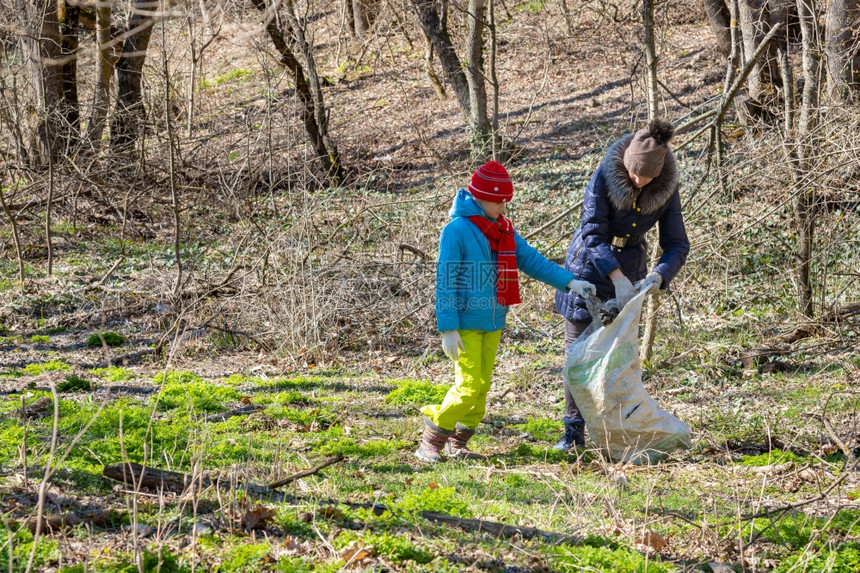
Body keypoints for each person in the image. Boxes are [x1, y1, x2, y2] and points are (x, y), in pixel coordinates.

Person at [416, 161, 596, 463]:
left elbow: (533, 261)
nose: (503, 205)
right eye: (498, 200)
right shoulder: (457, 230)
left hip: (494, 321)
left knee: (482, 388)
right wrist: (447, 328)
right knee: (468, 385)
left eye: (505, 200)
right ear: (480, 197)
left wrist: (571, 282)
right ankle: (431, 439)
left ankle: (458, 442)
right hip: (464, 325)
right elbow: (445, 281)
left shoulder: (503, 230)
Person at [552, 118, 690, 451]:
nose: (639, 180)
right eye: (634, 174)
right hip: (587, 268)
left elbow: (678, 243)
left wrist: (659, 276)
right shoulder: (604, 176)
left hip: (632, 271)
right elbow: (593, 231)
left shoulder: (666, 188)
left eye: (646, 176)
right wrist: (615, 278)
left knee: (615, 357)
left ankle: (615, 432)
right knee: (578, 355)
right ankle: (573, 434)